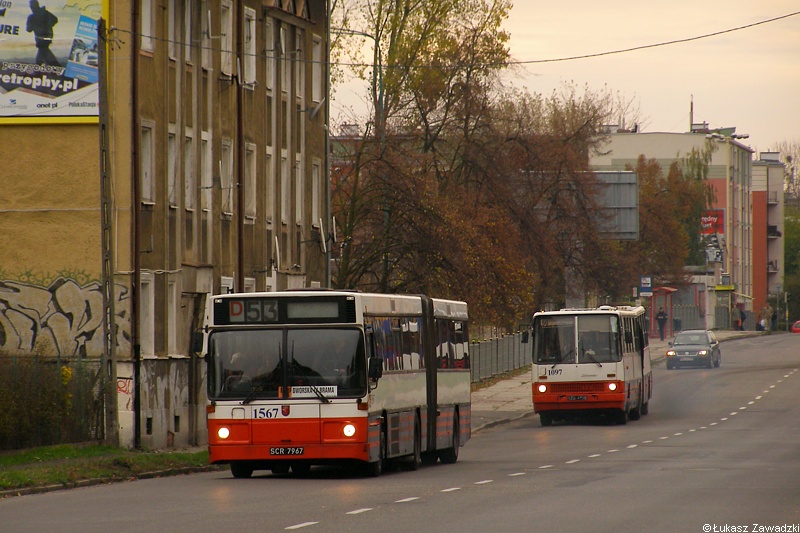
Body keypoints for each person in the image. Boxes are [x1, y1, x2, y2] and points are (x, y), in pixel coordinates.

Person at [26, 0, 60, 67]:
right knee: (44, 53)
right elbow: (29, 29)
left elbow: (28, 29)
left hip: (42, 39)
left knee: (43, 52)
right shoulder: (43, 13)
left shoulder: (38, 15)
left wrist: (45, 26)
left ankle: (55, 68)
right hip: (45, 38)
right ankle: (54, 67)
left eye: (32, 6)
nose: (31, 8)